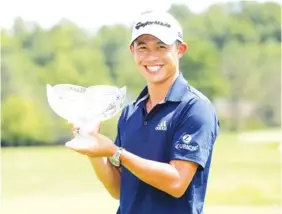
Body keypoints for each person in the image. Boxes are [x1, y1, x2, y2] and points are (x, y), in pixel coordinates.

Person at [67, 10, 220, 214]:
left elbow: (176, 183)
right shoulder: (130, 112)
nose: (151, 56)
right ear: (132, 51)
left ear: (180, 49)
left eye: (161, 47)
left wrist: (115, 152)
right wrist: (93, 148)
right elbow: (118, 189)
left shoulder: (195, 108)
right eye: (143, 47)